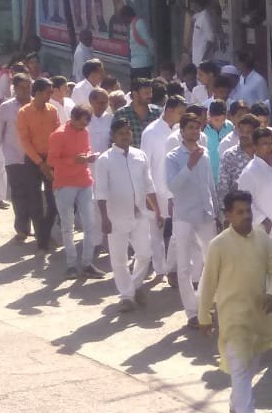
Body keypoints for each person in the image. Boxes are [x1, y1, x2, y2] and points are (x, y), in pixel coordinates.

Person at [198, 190, 272, 413]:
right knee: (240, 366)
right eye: (240, 212)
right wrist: (204, 317)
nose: (246, 216)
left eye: (248, 211)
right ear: (228, 216)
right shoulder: (218, 245)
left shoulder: (262, 238)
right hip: (232, 318)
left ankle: (237, 404)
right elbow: (208, 285)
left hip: (259, 314)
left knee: (252, 363)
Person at [95, 116, 162, 312]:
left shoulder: (139, 156)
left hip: (140, 213)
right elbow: (100, 192)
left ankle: (134, 285)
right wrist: (104, 218)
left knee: (145, 253)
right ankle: (126, 296)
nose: (125, 136)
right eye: (121, 133)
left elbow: (149, 185)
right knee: (119, 259)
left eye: (127, 132)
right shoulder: (104, 160)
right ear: (113, 136)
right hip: (115, 216)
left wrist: (156, 210)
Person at [167, 112, 221, 329]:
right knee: (185, 266)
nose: (194, 132)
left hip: (205, 213)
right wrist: (189, 165)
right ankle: (191, 312)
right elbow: (172, 186)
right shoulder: (173, 157)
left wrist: (216, 211)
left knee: (213, 261)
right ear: (182, 131)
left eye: (197, 128)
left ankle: (205, 303)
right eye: (190, 128)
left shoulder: (205, 153)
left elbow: (209, 185)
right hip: (184, 216)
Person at [48, 106, 103, 279]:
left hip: (84, 181)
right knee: (68, 227)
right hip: (65, 184)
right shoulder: (59, 134)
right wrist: (74, 160)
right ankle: (71, 264)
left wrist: (89, 156)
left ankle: (87, 263)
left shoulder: (84, 132)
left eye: (85, 122)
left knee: (90, 224)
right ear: (72, 117)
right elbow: (51, 160)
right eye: (80, 122)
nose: (83, 125)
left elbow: (85, 149)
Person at [141, 96, 187, 282]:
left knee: (178, 232)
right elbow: (145, 165)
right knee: (156, 232)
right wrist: (147, 193)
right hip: (157, 190)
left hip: (176, 189)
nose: (182, 117)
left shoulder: (180, 131)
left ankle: (173, 269)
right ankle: (160, 269)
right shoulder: (150, 132)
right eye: (180, 113)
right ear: (169, 110)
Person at [16, 77, 61, 255]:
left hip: (50, 159)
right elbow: (25, 141)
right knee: (35, 201)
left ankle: (44, 236)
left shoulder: (53, 110)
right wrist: (40, 163)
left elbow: (57, 136)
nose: (51, 95)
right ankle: (42, 241)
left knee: (52, 201)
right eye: (49, 92)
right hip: (32, 161)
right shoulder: (24, 112)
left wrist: (50, 162)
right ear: (39, 92)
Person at [0, 73, 33, 242]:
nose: (26, 91)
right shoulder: (6, 108)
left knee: (33, 194)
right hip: (13, 156)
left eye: (28, 87)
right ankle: (22, 229)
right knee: (19, 193)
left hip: (34, 158)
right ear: (15, 88)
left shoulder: (38, 104)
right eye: (22, 87)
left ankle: (36, 227)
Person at [114, 77, 161, 148]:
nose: (150, 96)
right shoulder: (121, 114)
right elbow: (113, 141)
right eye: (146, 93)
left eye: (151, 92)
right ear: (135, 94)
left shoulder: (158, 113)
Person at [120, 5, 155, 81]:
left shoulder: (139, 23)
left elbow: (149, 42)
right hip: (136, 65)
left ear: (126, 16)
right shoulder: (133, 24)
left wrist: (153, 56)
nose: (122, 20)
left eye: (122, 17)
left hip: (143, 65)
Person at [188, 0, 217, 65]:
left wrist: (204, 59)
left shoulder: (205, 18)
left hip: (203, 62)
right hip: (196, 59)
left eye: (192, 2)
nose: (191, 5)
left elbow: (211, 40)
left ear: (197, 3)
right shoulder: (198, 16)